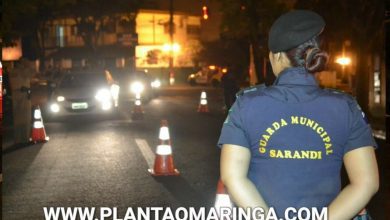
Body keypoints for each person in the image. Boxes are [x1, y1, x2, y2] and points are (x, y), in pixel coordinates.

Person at [218, 10, 379, 220]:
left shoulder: (246, 104)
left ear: (275, 56)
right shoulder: (346, 107)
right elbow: (366, 183)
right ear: (315, 56)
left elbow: (232, 177)